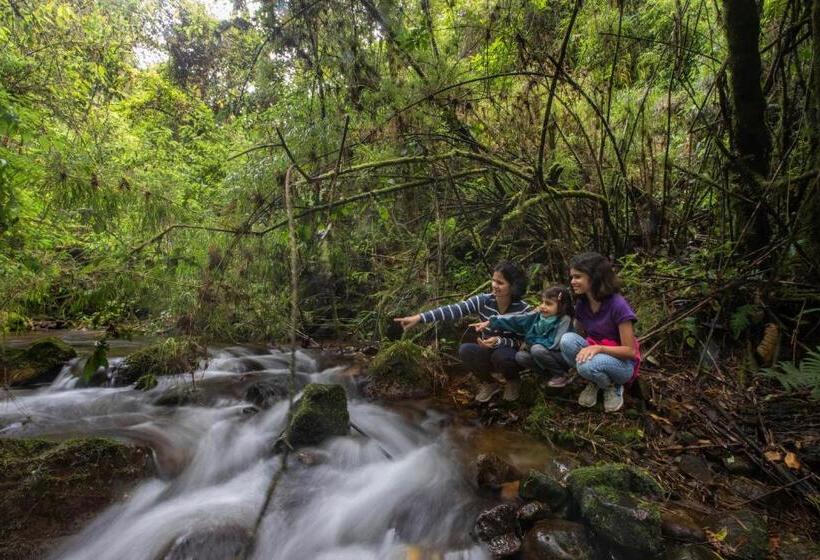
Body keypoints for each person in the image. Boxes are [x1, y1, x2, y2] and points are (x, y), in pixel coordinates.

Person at [394, 261, 530, 402]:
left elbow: (523, 343)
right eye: (493, 280)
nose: (494, 285)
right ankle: (490, 383)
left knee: (501, 355)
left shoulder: (523, 310)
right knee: (466, 350)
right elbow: (454, 309)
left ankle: (513, 381)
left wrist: (500, 341)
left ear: (513, 286)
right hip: (488, 350)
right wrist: (419, 317)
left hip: (510, 355)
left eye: (500, 283)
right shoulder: (484, 301)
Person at [559, 252, 640, 413]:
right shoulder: (582, 303)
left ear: (594, 277)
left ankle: (612, 386)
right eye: (572, 277)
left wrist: (599, 348)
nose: (572, 282)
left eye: (578, 277)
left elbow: (630, 351)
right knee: (566, 340)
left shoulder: (618, 305)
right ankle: (596, 381)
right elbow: (578, 336)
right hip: (596, 355)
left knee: (587, 365)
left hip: (622, 364)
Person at [471, 285, 574, 391]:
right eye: (542, 302)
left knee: (536, 349)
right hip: (541, 354)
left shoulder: (564, 320)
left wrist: (530, 342)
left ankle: (562, 375)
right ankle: (547, 376)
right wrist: (491, 322)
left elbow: (554, 344)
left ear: (562, 306)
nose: (543, 306)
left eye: (548, 304)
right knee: (520, 356)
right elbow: (517, 320)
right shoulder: (537, 315)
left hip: (559, 356)